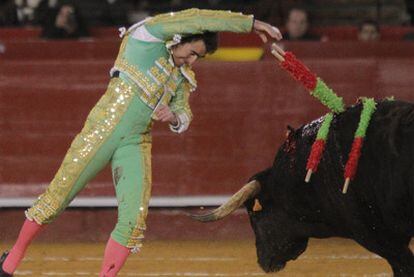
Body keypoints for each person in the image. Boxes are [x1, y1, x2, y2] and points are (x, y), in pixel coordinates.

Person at [0, 8, 282, 277]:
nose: (192, 61)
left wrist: (174, 116)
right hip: (104, 127)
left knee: (134, 221)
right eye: (193, 52)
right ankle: (9, 264)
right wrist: (250, 24)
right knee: (57, 198)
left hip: (135, 141)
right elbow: (196, 18)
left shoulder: (182, 76)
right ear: (181, 37)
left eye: (199, 58)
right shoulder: (148, 36)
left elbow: (184, 114)